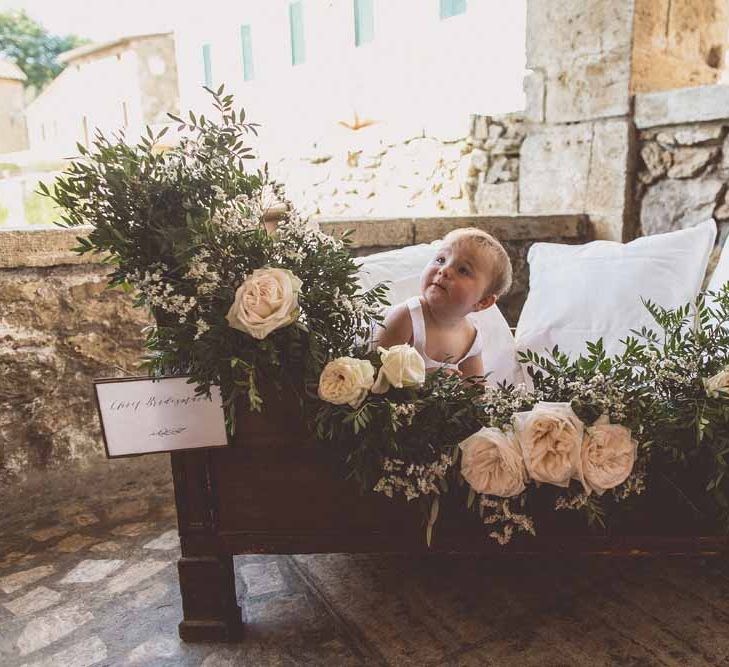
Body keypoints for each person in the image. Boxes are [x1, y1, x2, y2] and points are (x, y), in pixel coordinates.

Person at [374, 228, 512, 379]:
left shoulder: (470, 337)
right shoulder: (407, 317)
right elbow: (376, 375)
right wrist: (423, 379)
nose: (444, 270)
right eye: (441, 260)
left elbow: (475, 391)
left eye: (463, 270)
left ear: (483, 302)